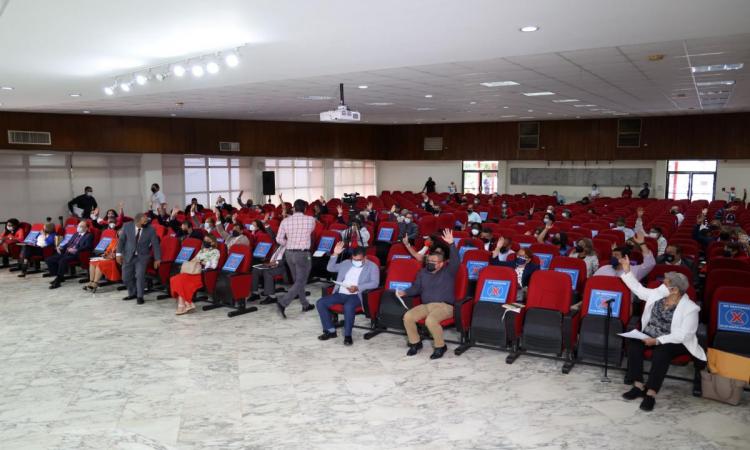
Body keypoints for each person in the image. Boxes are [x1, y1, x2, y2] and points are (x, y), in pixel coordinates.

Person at [619, 260, 706, 411]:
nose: (662, 284)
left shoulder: (690, 309)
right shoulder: (658, 294)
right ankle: (638, 385)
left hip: (674, 341)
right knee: (634, 344)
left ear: (675, 290)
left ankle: (651, 393)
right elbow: (639, 290)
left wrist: (658, 341)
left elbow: (683, 335)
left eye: (665, 283)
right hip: (650, 334)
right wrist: (627, 270)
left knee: (662, 353)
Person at [398, 230, 459, 359]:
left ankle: (440, 346)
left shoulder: (448, 271)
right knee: (408, 316)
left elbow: (455, 262)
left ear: (442, 264)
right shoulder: (423, 273)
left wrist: (452, 244)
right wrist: (405, 292)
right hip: (426, 305)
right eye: (429, 261)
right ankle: (415, 343)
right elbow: (416, 288)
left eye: (433, 262)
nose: (430, 264)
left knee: (430, 320)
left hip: (445, 306)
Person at [317, 243, 380, 345]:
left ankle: (347, 335)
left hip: (356, 295)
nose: (355, 262)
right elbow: (330, 268)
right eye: (354, 259)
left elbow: (375, 283)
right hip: (341, 293)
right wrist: (335, 254)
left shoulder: (372, 267)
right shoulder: (347, 263)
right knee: (321, 303)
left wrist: (358, 287)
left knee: (348, 306)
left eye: (358, 260)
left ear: (365, 257)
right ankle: (330, 331)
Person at [275, 199, 317, 318]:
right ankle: (283, 303)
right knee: (301, 281)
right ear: (304, 209)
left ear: (293, 208)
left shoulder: (285, 221)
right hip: (302, 254)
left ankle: (305, 304)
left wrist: (288, 243)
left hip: (289, 253)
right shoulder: (310, 220)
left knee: (298, 281)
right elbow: (311, 231)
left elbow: (278, 239)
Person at [116, 213, 161, 305]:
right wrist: (118, 254)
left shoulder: (151, 230)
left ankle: (140, 296)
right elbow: (121, 240)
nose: (147, 221)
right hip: (128, 255)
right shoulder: (127, 226)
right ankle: (133, 293)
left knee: (139, 276)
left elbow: (156, 244)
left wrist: (157, 258)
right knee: (126, 277)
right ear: (138, 221)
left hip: (142, 257)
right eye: (144, 220)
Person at [170, 235, 220, 315]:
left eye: (208, 240)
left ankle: (183, 305)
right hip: (192, 271)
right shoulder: (202, 250)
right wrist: (193, 261)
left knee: (181, 280)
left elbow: (214, 265)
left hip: (200, 273)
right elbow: (194, 259)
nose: (205, 241)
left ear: (213, 242)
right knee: (175, 279)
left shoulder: (215, 251)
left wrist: (202, 262)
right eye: (204, 240)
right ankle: (188, 303)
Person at [45, 220, 93, 289]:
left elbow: (88, 246)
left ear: (86, 228)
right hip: (67, 252)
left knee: (62, 260)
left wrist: (76, 249)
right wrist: (61, 247)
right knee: (49, 260)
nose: (79, 227)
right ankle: (59, 276)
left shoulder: (89, 235)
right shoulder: (76, 234)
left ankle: (58, 280)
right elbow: (68, 243)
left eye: (81, 226)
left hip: (76, 254)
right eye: (78, 226)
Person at [84, 228, 120, 292]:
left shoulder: (126, 242)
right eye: (118, 234)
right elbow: (108, 249)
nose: (119, 235)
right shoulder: (114, 240)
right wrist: (105, 254)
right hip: (108, 258)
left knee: (99, 264)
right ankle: (91, 282)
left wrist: (113, 256)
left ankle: (95, 283)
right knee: (92, 262)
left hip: (115, 260)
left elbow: (121, 253)